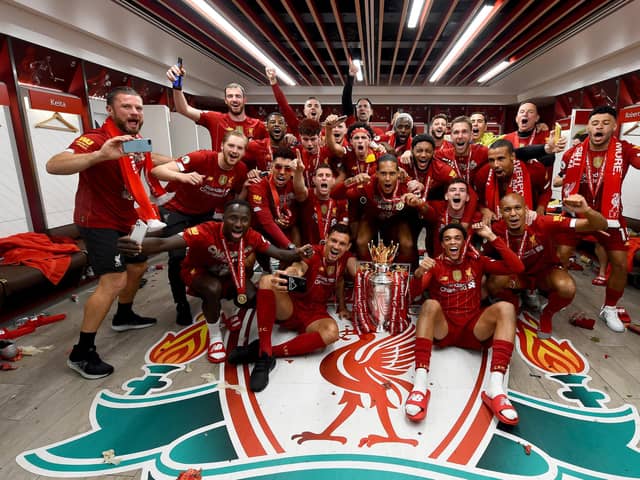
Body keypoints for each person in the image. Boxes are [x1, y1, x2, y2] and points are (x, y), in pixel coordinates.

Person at [45, 86, 171, 379]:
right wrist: (98, 156)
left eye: (138, 108)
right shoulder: (97, 139)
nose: (135, 113)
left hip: (131, 220)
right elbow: (54, 164)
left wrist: (193, 161)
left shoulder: (135, 141)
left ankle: (124, 315)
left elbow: (153, 158)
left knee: (138, 266)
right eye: (127, 107)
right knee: (113, 281)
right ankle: (82, 352)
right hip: (100, 221)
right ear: (111, 111)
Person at [118, 200, 311, 363]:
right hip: (198, 272)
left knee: (252, 296)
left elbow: (277, 253)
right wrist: (138, 245)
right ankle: (215, 335)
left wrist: (298, 252)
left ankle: (227, 311)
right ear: (223, 219)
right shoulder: (205, 231)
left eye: (244, 220)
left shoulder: (251, 236)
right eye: (233, 218)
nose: (238, 224)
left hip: (228, 274)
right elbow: (164, 243)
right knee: (213, 289)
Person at [405, 223, 524, 425]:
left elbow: (517, 267)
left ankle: (495, 388)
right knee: (429, 305)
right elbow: (411, 296)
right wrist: (417, 274)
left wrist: (492, 237)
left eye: (457, 238)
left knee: (506, 308)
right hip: (445, 328)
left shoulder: (477, 261)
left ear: (464, 242)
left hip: (473, 329)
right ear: (442, 244)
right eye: (448, 238)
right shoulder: (434, 265)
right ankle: (419, 385)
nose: (453, 242)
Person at [228, 223, 357, 392]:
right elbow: (299, 267)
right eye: (333, 241)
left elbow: (339, 281)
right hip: (292, 306)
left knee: (332, 333)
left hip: (315, 312)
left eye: (341, 244)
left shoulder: (344, 260)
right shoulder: (314, 252)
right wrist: (291, 273)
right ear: (326, 240)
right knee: (267, 281)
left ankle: (265, 353)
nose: (336, 246)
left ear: (347, 247)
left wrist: (341, 306)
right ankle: (264, 355)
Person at [150, 131, 249, 325]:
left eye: (240, 148)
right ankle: (181, 304)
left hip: (204, 215)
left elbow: (236, 199)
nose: (235, 151)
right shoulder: (201, 157)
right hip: (176, 210)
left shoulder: (240, 170)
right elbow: (157, 171)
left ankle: (207, 294)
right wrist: (183, 177)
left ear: (244, 152)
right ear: (222, 145)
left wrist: (247, 186)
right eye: (231, 146)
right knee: (177, 256)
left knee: (208, 255)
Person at [557, 105, 640, 332]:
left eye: (605, 123)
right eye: (595, 123)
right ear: (589, 127)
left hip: (610, 217)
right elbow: (559, 178)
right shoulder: (572, 153)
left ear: (614, 126)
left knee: (621, 264)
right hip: (577, 215)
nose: (599, 127)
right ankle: (557, 297)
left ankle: (610, 308)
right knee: (560, 256)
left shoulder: (625, 150)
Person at [486, 193, 607, 338]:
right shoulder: (496, 229)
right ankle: (513, 301)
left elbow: (602, 225)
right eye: (507, 209)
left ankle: (547, 314)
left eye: (517, 208)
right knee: (493, 282)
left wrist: (586, 210)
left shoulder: (543, 222)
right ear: (500, 212)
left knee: (567, 288)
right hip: (517, 276)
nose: (513, 214)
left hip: (543, 274)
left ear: (526, 209)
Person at [331, 154, 417, 264]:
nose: (387, 178)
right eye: (383, 173)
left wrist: (418, 201)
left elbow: (424, 203)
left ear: (398, 174)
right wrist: (351, 181)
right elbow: (334, 195)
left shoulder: (407, 185)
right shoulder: (367, 184)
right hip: (372, 218)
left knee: (407, 244)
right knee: (361, 242)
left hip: (397, 219)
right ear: (376, 174)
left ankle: (398, 275)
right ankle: (368, 273)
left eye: (392, 174)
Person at [166, 63, 267, 147]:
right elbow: (184, 109)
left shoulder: (258, 125)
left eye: (238, 96)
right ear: (225, 100)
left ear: (244, 100)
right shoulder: (216, 119)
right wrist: (177, 85)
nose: (234, 99)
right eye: (230, 96)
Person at [475, 139, 552, 224]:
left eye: (501, 159)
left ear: (512, 156)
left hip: (529, 222)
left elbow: (546, 191)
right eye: (491, 160)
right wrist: (484, 210)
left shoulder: (534, 170)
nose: (495, 165)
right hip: (496, 224)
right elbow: (477, 200)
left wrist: (540, 209)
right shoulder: (483, 174)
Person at [248, 146, 308, 249]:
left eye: (287, 169)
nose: (282, 172)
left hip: (289, 229)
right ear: (271, 166)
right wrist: (291, 247)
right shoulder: (257, 185)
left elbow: (302, 196)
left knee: (295, 230)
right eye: (278, 167)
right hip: (263, 232)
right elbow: (266, 222)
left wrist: (298, 172)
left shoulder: (295, 181)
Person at [404, 179, 482, 257]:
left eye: (462, 190)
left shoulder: (476, 217)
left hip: (465, 265)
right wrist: (417, 202)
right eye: (452, 190)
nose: (457, 193)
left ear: (468, 197)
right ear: (446, 196)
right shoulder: (438, 208)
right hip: (440, 264)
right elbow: (426, 208)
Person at [298, 164, 348, 245]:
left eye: (328, 176)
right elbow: (299, 189)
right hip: (309, 252)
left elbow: (342, 230)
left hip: (331, 250)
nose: (324, 178)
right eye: (320, 175)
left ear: (333, 180)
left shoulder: (340, 202)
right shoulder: (307, 196)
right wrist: (298, 172)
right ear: (314, 180)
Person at [265, 66, 322, 136]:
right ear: (304, 111)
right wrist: (273, 81)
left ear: (321, 112)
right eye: (309, 106)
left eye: (316, 106)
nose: (313, 108)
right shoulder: (297, 126)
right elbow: (284, 106)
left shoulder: (329, 131)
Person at [436, 116, 488, 186]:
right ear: (451, 136)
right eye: (456, 132)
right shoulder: (440, 156)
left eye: (464, 132)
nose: (460, 136)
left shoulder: (484, 153)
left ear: (471, 135)